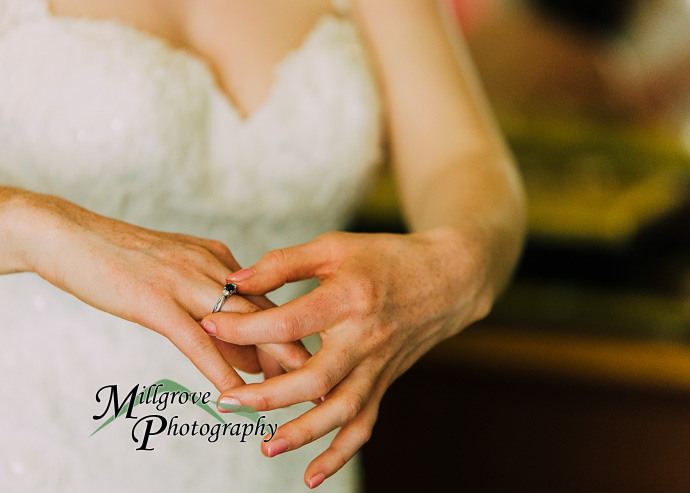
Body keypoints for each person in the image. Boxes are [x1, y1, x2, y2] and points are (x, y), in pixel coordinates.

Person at [0, 0, 525, 490]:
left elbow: (462, 162)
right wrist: (43, 227)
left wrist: (457, 260)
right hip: (36, 436)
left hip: (290, 448)